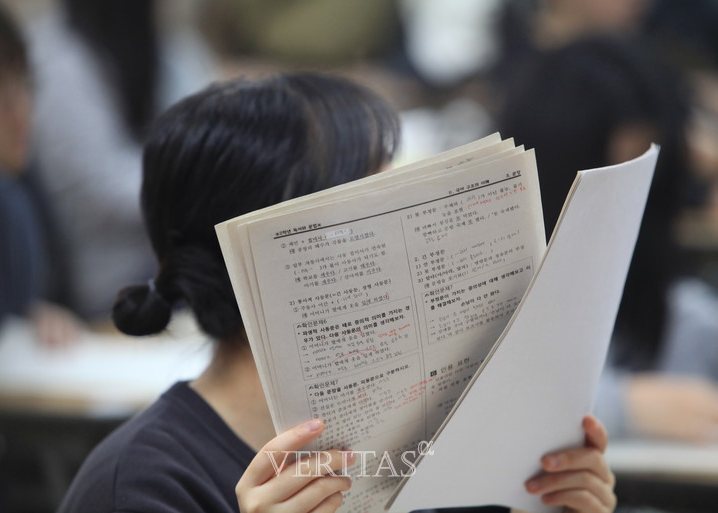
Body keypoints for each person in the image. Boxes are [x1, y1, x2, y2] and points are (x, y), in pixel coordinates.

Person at [57, 73, 616, 513]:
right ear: (274, 254)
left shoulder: (407, 443)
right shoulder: (137, 487)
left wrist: (549, 505)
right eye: (375, 204)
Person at [497, 34, 718, 443]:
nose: (626, 191)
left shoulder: (686, 312)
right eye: (604, 166)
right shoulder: (506, 280)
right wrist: (622, 406)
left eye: (646, 163)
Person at [27, 0, 217, 319]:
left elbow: (212, 136)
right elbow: (103, 187)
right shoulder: (55, 53)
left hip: (175, 249)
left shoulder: (168, 42)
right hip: (110, 272)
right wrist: (201, 184)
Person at [0, 0, 81, 380]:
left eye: (22, 81)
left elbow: (4, 319)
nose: (18, 106)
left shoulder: (7, 209)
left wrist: (34, 318)